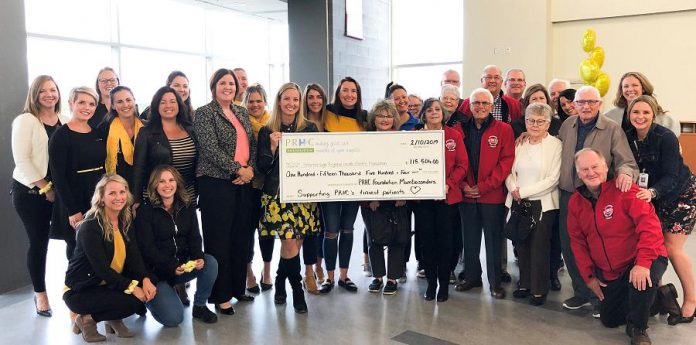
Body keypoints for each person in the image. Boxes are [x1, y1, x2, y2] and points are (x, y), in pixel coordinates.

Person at [568, 148, 668, 345]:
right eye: (584, 169)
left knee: (641, 281)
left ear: (606, 167)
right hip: (613, 270)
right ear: (578, 173)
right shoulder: (575, 202)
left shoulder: (625, 190)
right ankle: (662, 297)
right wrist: (589, 277)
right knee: (609, 319)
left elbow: (651, 229)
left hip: (644, 257)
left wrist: (643, 263)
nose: (591, 172)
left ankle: (638, 328)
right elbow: (577, 242)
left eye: (595, 166)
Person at [557, 85, 639, 315]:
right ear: (575, 105)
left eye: (591, 102)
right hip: (569, 194)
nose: (586, 106)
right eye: (581, 102)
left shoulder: (612, 129)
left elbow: (627, 162)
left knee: (598, 247)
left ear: (599, 104)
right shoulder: (567, 125)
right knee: (571, 246)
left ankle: (601, 297)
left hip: (598, 196)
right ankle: (582, 292)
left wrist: (624, 173)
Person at [625, 95, 696, 322]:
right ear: (629, 115)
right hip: (651, 198)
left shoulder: (665, 137)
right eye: (636, 112)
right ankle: (663, 294)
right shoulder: (628, 137)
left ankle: (691, 301)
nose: (640, 117)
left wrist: (653, 192)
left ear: (653, 114)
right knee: (654, 246)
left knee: (672, 248)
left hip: (679, 194)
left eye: (646, 112)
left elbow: (672, 176)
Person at [63, 174, 156, 343]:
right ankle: (86, 319)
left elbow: (134, 255)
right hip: (81, 290)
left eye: (122, 192)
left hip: (106, 285)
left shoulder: (124, 219)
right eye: (112, 193)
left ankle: (112, 319)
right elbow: (102, 269)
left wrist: (145, 279)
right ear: (102, 198)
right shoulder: (90, 226)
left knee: (138, 302)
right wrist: (132, 287)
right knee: (132, 301)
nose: (119, 197)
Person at [194, 68, 257, 314]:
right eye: (223, 83)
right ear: (214, 87)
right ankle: (220, 295)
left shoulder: (240, 112)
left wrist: (249, 169)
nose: (228, 87)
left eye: (231, 83)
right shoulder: (204, 113)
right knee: (219, 240)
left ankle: (237, 288)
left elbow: (250, 143)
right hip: (216, 183)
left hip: (243, 182)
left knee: (241, 237)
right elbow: (210, 148)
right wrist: (237, 170)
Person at [257, 82, 320, 313]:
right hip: (277, 196)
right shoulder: (266, 130)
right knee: (289, 242)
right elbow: (262, 168)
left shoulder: (310, 128)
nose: (291, 103)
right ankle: (297, 291)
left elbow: (316, 162)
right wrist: (272, 147)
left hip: (303, 195)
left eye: (295, 99)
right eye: (287, 99)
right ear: (279, 101)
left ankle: (280, 278)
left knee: (293, 246)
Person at [11, 75, 70, 317]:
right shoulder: (26, 120)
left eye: (53, 90)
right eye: (43, 90)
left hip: (59, 195)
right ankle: (40, 294)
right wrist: (46, 188)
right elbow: (21, 160)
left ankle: (72, 290)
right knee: (39, 243)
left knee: (72, 240)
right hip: (30, 192)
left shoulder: (64, 120)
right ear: (35, 95)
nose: (49, 94)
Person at [136, 166, 218, 326]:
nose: (167, 185)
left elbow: (195, 236)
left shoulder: (186, 205)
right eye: (162, 181)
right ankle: (149, 299)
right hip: (157, 273)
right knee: (174, 319)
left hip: (181, 266)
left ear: (177, 183)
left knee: (210, 263)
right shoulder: (145, 212)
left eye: (171, 180)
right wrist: (171, 267)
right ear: (154, 185)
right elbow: (147, 249)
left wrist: (197, 257)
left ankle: (200, 306)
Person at [455, 88, 514, 299]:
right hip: (467, 195)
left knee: (493, 241)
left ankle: (495, 283)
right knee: (469, 240)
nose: (480, 107)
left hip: (492, 196)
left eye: (484, 103)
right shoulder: (459, 129)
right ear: (469, 107)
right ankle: (472, 277)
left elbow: (505, 163)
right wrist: (463, 186)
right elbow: (455, 161)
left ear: (491, 107)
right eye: (476, 103)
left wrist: (484, 186)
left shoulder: (504, 129)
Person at [505, 103, 561, 306]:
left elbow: (553, 179)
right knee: (521, 245)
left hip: (543, 204)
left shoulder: (556, 145)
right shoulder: (519, 143)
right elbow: (509, 171)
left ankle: (538, 289)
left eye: (540, 121)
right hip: (518, 202)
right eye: (530, 120)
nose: (535, 125)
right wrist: (513, 189)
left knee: (539, 246)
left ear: (548, 123)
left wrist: (524, 192)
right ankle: (524, 284)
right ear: (525, 121)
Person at [413, 98, 468, 302]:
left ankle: (443, 285)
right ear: (424, 114)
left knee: (446, 243)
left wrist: (449, 184)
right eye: (429, 110)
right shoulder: (415, 137)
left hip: (447, 199)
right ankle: (431, 283)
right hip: (423, 200)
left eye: (437, 109)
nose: (434, 112)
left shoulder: (454, 135)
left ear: (443, 113)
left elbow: (462, 165)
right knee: (427, 243)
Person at [319, 77, 367, 293]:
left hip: (353, 183)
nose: (349, 95)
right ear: (338, 92)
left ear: (358, 95)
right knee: (331, 231)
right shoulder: (326, 113)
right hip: (329, 182)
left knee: (348, 230)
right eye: (345, 90)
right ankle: (328, 278)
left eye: (353, 91)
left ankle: (344, 276)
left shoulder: (364, 118)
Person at [49, 87, 106, 261]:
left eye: (91, 104)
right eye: (81, 102)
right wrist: (72, 210)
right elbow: (58, 177)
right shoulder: (60, 135)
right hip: (74, 198)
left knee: (99, 246)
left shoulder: (97, 133)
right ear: (71, 104)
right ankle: (74, 287)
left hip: (97, 197)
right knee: (77, 248)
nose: (86, 107)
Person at [361, 100, 408, 294]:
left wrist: (403, 194)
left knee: (397, 238)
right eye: (381, 115)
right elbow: (358, 170)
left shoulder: (403, 139)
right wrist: (369, 198)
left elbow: (409, 168)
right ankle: (377, 276)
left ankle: (392, 279)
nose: (385, 119)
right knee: (374, 238)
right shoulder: (363, 140)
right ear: (374, 118)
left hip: (398, 199)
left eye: (389, 116)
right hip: (371, 199)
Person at [133, 86, 197, 207]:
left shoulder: (190, 129)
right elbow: (138, 169)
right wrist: (137, 199)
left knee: (188, 225)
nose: (168, 106)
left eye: (173, 101)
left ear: (179, 105)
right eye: (163, 102)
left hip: (188, 193)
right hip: (158, 194)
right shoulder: (146, 132)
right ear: (156, 106)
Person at [242, 83, 274, 294]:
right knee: (248, 231)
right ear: (246, 103)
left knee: (268, 230)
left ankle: (267, 269)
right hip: (247, 185)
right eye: (251, 101)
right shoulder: (241, 123)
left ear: (265, 102)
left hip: (268, 184)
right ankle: (248, 272)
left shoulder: (273, 123)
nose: (255, 105)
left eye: (258, 101)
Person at [300, 83, 328, 287]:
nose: (315, 101)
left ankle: (319, 264)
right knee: (309, 228)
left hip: (328, 182)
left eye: (319, 97)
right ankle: (308, 269)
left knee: (324, 227)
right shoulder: (301, 123)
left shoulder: (331, 122)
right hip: (306, 182)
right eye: (311, 97)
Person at [606, 72, 681, 136]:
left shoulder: (665, 120)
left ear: (643, 88)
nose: (630, 89)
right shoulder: (610, 116)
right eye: (626, 86)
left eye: (635, 85)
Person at [100, 86, 144, 188]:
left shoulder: (145, 128)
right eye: (119, 101)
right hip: (115, 189)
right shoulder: (104, 129)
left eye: (128, 100)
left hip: (143, 188)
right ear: (113, 106)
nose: (125, 105)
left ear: (134, 101)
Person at [455, 65, 522, 124]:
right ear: (481, 80)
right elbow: (460, 128)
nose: (492, 81)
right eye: (488, 77)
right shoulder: (467, 103)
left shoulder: (514, 105)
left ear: (501, 81)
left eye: (496, 77)